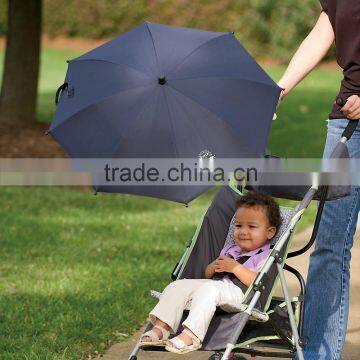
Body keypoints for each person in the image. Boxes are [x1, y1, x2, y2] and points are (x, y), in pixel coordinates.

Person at [277, 1, 360, 359]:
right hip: (348, 122)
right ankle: (316, 355)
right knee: (328, 244)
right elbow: (326, 26)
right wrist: (280, 87)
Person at [139, 191, 281, 354]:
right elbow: (208, 275)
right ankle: (161, 328)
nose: (243, 231)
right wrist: (212, 267)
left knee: (210, 289)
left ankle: (191, 335)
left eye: (252, 226)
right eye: (239, 225)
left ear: (270, 232)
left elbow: (259, 281)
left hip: (241, 293)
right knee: (178, 285)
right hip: (216, 286)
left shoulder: (265, 255)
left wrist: (235, 268)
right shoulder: (231, 249)